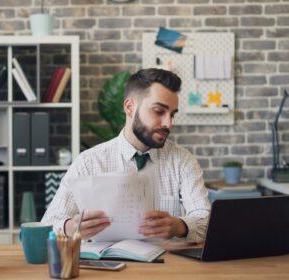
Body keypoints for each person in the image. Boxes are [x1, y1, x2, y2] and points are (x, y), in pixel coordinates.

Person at [41, 68, 211, 243]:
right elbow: (47, 225)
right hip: (106, 267)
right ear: (129, 107)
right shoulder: (88, 162)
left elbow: (206, 221)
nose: (169, 123)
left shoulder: (183, 161)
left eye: (172, 114)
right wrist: (70, 227)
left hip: (167, 267)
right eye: (159, 111)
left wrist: (179, 226)